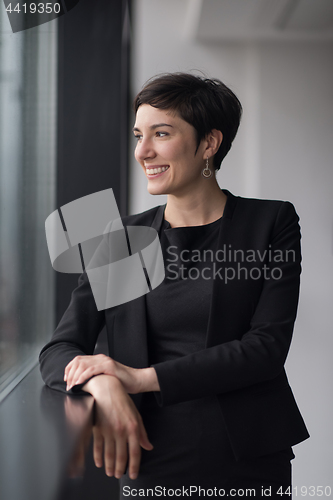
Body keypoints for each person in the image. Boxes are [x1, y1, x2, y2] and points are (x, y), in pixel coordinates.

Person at [39, 73, 309, 498]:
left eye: (160, 134)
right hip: (145, 457)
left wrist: (138, 378)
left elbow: (266, 348)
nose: (142, 151)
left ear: (209, 143)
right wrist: (104, 383)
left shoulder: (269, 223)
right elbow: (58, 350)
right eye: (138, 135)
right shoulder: (122, 240)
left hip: (248, 462)